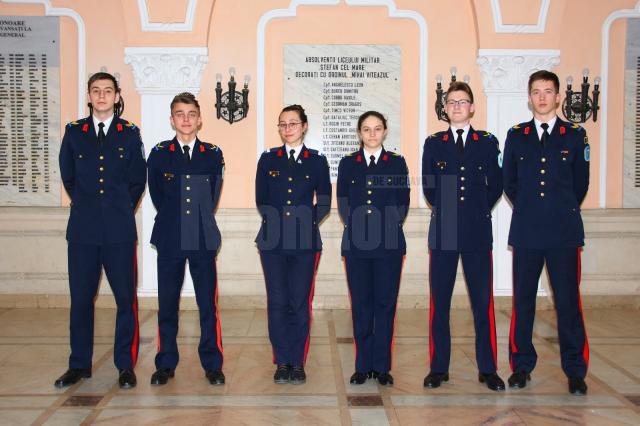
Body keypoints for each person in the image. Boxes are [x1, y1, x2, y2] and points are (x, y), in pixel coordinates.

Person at [56, 72, 146, 389]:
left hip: (119, 231)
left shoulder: (129, 134)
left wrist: (119, 207)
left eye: (108, 91)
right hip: (82, 230)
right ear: (89, 96)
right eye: (96, 91)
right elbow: (69, 176)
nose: (102, 96)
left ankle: (125, 366)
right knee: (81, 299)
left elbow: (137, 180)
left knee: (125, 299)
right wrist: (87, 204)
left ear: (118, 96)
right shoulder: (74, 132)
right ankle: (79, 364)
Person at [503, 70, 590, 396]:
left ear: (558, 97)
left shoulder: (575, 135)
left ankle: (575, 370)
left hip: (564, 233)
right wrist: (530, 208)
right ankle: (521, 365)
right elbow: (509, 181)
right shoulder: (517, 135)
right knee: (523, 302)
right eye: (536, 92)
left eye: (548, 91)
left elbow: (580, 183)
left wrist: (557, 209)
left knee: (568, 303)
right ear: (530, 98)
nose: (542, 97)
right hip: (527, 231)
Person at [421, 81, 504, 391]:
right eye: (452, 102)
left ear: (472, 107)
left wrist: (477, 209)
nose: (457, 106)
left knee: (482, 303)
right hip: (444, 228)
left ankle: (488, 369)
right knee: (439, 303)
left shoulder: (487, 142)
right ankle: (438, 368)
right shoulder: (434, 143)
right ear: (445, 109)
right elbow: (430, 187)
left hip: (476, 229)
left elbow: (496, 184)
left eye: (463, 101)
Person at [147, 92, 226, 386]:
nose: (186, 119)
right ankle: (165, 362)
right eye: (180, 114)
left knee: (208, 304)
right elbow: (157, 194)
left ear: (200, 119)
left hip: (202, 236)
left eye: (191, 114)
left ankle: (213, 364)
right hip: (170, 235)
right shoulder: (159, 154)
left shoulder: (212, 154)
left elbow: (213, 195)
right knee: (167, 303)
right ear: (171, 120)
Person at [255, 104, 331, 384]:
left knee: (299, 302)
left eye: (293, 124)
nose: (288, 129)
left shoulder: (316, 160)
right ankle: (281, 360)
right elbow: (261, 199)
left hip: (305, 242)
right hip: (272, 241)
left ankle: (297, 362)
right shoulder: (268, 159)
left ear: (304, 126)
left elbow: (323, 201)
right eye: (283, 124)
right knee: (277, 301)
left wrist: (303, 223)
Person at [337, 111, 409, 387]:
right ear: (359, 133)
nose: (371, 134)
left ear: (385, 131)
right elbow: (343, 202)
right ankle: (362, 365)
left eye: (377, 129)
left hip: (388, 245)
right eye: (366, 129)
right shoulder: (348, 164)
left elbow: (402, 202)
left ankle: (382, 366)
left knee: (385, 306)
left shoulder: (396, 163)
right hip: (356, 245)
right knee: (361, 306)